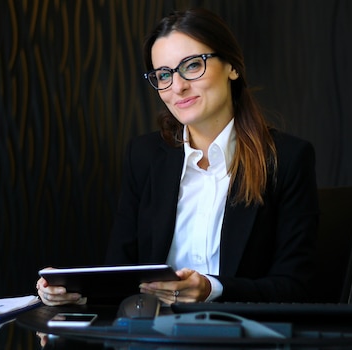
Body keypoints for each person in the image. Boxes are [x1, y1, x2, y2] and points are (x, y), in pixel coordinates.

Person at [36, 7, 318, 306]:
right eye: (164, 75)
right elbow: (120, 271)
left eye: (193, 65)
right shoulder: (144, 157)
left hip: (238, 335)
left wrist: (213, 289)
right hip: (153, 335)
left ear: (233, 67)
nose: (178, 86)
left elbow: (294, 287)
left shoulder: (286, 158)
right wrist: (72, 291)